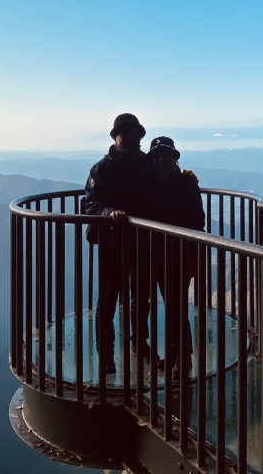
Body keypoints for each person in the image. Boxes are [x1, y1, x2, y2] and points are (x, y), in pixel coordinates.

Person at [82, 113, 157, 376]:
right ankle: (106, 355)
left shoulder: (148, 164)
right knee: (108, 299)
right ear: (116, 137)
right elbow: (91, 203)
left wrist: (188, 179)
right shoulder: (102, 169)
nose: (134, 138)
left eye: (136, 133)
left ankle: (139, 343)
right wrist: (108, 213)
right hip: (113, 242)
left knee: (141, 297)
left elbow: (166, 185)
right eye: (128, 133)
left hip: (141, 241)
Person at [148, 136, 205, 378]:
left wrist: (193, 256)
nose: (161, 160)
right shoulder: (149, 183)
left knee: (176, 307)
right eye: (157, 156)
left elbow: (197, 222)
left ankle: (184, 358)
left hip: (179, 255)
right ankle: (174, 356)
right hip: (157, 255)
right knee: (171, 306)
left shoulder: (187, 185)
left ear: (174, 158)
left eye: (165, 156)